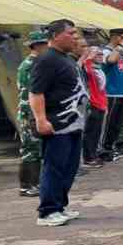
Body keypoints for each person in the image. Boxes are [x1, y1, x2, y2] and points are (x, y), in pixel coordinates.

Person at [30, 19, 87, 227]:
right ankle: (47, 211)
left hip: (73, 124)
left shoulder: (66, 59)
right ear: (55, 36)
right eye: (71, 33)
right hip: (57, 124)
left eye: (76, 33)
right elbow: (36, 92)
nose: (75, 37)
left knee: (69, 168)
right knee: (54, 167)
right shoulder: (47, 59)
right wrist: (41, 120)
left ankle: (60, 206)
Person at [15, 30, 48, 197]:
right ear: (36, 46)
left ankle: (34, 183)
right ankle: (27, 186)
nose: (47, 47)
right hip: (29, 112)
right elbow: (33, 91)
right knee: (30, 150)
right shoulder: (30, 65)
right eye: (44, 44)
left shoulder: (35, 63)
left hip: (32, 112)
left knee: (35, 149)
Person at [100, 28, 123, 160]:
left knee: (117, 124)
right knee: (109, 124)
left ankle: (111, 148)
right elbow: (111, 60)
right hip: (110, 93)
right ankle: (104, 150)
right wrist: (121, 46)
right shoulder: (106, 51)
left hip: (121, 92)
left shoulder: (120, 51)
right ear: (115, 37)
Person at [81, 46, 108, 168]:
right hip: (93, 103)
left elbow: (102, 88)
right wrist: (88, 58)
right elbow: (86, 70)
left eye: (101, 54)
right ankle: (89, 157)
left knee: (97, 131)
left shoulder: (99, 69)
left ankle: (94, 154)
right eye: (98, 54)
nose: (101, 56)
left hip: (101, 103)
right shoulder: (88, 68)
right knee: (90, 132)